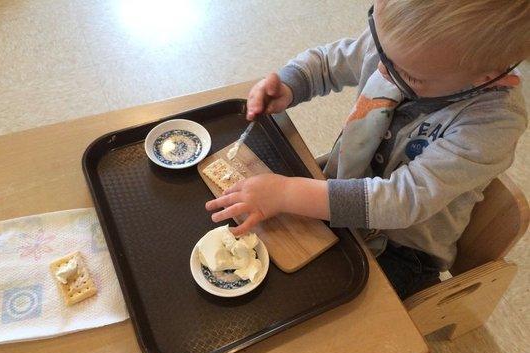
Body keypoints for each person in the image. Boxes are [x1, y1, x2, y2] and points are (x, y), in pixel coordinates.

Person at [206, 0, 529, 299]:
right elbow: (330, 62)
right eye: (382, 50)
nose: (382, 70)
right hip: (342, 187)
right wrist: (291, 84)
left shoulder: (493, 123)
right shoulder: (400, 48)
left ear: (487, 75)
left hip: (401, 249)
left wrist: (289, 193)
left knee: (308, 300)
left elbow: (403, 201)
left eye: (409, 76)